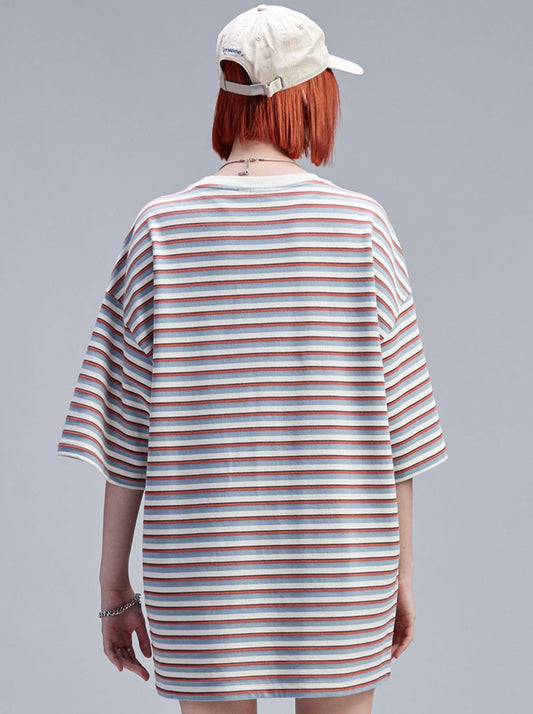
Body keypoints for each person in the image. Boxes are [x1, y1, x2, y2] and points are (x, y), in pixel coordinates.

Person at [57, 5, 448, 714]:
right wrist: (401, 577)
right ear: (310, 95)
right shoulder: (362, 227)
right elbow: (402, 433)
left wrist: (113, 589)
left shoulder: (160, 229)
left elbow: (124, 435)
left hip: (199, 573)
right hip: (342, 569)